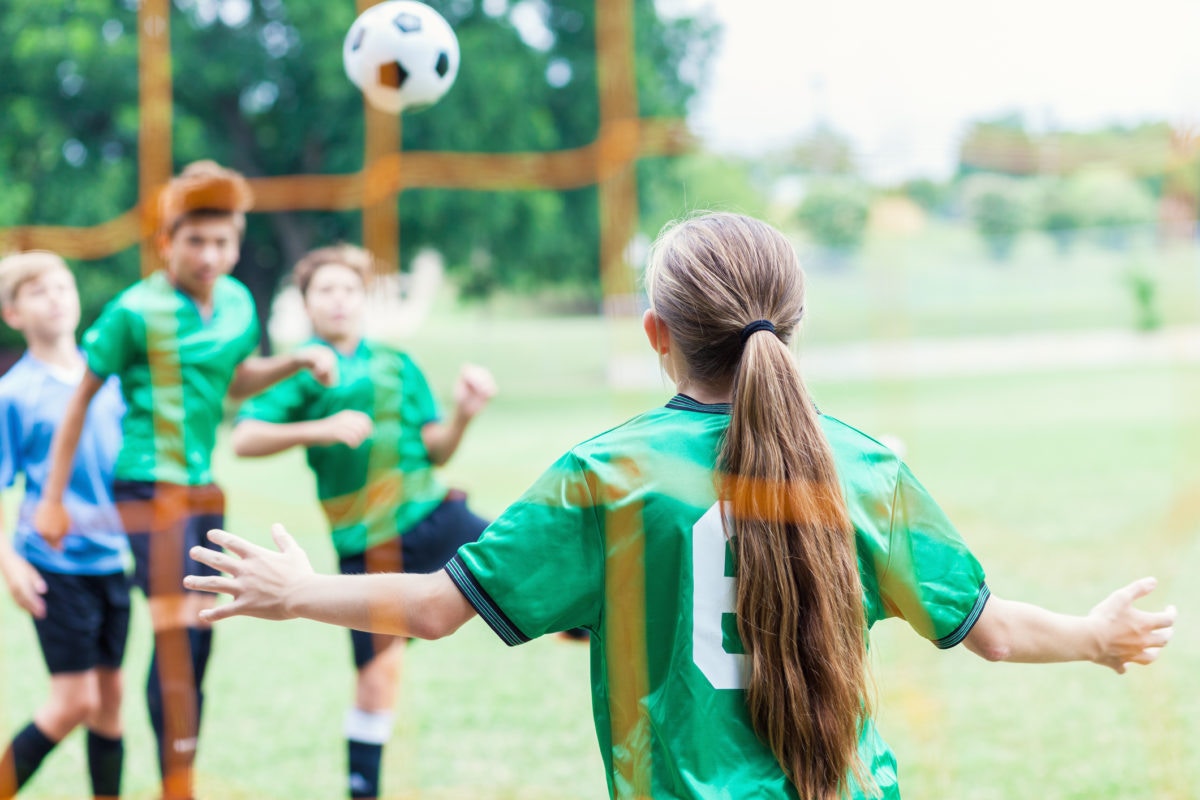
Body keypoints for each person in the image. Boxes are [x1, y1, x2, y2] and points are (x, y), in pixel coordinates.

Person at [184, 213, 1176, 800]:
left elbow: (443, 608)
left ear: (657, 332)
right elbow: (993, 631)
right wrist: (1094, 634)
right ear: (791, 325)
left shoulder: (608, 473)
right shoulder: (861, 463)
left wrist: (302, 589)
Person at [33, 161, 336, 800]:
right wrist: (53, 501)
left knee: (202, 636)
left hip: (202, 490)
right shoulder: (134, 311)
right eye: (194, 240)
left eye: (222, 241)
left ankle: (181, 776)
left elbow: (234, 380)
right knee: (177, 632)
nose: (209, 254)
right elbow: (79, 403)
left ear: (237, 240)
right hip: (145, 487)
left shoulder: (235, 304)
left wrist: (296, 361)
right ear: (165, 241)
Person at [230, 243, 496, 800]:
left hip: (435, 516)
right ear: (305, 303)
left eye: (349, 289)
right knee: (379, 676)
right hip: (367, 543)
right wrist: (317, 429)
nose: (339, 300)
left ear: (364, 299)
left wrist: (465, 414)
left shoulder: (397, 364)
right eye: (324, 290)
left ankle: (598, 636)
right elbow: (244, 438)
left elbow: (438, 450)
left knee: (533, 574)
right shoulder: (303, 370)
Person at [0, 252, 128, 800]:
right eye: (37, 291)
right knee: (75, 702)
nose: (55, 297)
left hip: (114, 562)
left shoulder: (113, 379)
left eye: (62, 286)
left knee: (111, 701)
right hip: (55, 565)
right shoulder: (13, 394)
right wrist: (10, 563)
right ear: (12, 314)